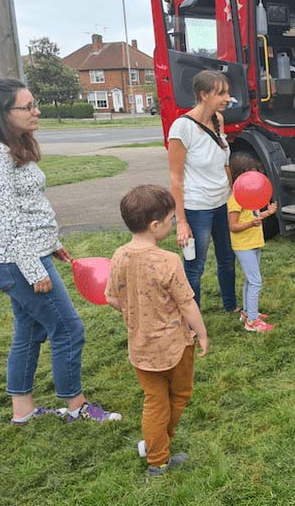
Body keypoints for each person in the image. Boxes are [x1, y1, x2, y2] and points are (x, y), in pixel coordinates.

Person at [0, 78, 120, 423]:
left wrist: (51, 245)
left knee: (30, 329)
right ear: (1, 113)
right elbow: (6, 219)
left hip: (27, 252)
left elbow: (27, 206)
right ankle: (76, 407)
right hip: (16, 260)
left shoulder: (6, 146)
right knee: (68, 329)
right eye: (27, 106)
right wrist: (34, 270)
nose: (36, 111)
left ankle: (23, 412)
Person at [105, 185, 209, 477]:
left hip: (140, 348)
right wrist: (201, 334)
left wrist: (131, 311)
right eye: (171, 219)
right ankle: (158, 447)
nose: (173, 223)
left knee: (154, 401)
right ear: (154, 225)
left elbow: (112, 297)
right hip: (175, 346)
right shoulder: (168, 261)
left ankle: (156, 456)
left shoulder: (118, 256)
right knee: (179, 395)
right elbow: (187, 304)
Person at [168, 70, 238, 315]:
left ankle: (231, 307)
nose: (228, 97)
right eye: (221, 93)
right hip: (197, 208)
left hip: (222, 203)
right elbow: (175, 179)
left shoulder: (218, 119)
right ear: (203, 95)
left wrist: (233, 197)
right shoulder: (181, 128)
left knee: (227, 258)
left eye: (227, 92)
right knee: (195, 266)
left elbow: (225, 164)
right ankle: (192, 321)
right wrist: (182, 222)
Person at [227, 153, 278, 333]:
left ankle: (248, 313)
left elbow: (255, 217)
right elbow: (233, 226)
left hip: (254, 243)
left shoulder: (250, 196)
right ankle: (253, 322)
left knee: (250, 280)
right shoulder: (235, 199)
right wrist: (251, 223)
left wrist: (267, 213)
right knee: (256, 281)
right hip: (244, 246)